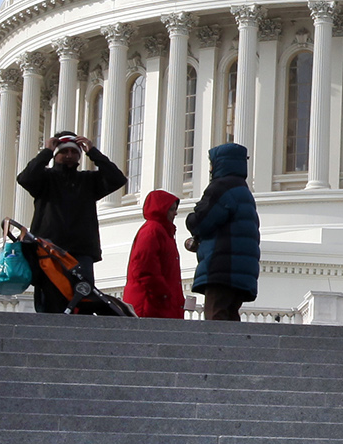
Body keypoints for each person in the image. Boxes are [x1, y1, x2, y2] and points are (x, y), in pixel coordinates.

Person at [14, 131, 124, 312]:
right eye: (64, 151)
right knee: (49, 300)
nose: (69, 155)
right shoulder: (45, 179)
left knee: (83, 299)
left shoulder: (88, 180)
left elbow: (117, 179)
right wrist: (46, 152)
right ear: (56, 154)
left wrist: (93, 152)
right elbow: (25, 178)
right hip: (48, 250)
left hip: (80, 251)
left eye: (74, 152)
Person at [185, 142, 259, 321]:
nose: (210, 169)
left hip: (222, 266)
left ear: (221, 163)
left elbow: (203, 221)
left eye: (212, 163)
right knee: (230, 316)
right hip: (242, 270)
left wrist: (191, 219)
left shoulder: (221, 187)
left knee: (215, 315)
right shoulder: (243, 191)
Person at [121, 189, 184, 318]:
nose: (176, 213)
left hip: (156, 302)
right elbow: (144, 268)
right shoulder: (153, 231)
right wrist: (164, 294)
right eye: (171, 209)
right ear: (162, 210)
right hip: (150, 303)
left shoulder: (162, 232)